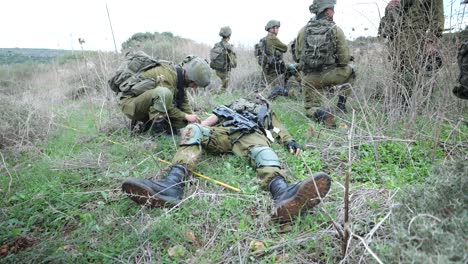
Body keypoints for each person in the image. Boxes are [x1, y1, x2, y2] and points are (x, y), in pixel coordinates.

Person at [122, 95, 332, 222]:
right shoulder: (231, 105)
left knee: (264, 153)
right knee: (193, 128)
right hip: (223, 133)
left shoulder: (266, 111)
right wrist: (191, 130)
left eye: (259, 97)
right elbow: (206, 123)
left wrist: (289, 141)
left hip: (252, 135)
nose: (255, 98)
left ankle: (283, 194)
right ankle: (172, 184)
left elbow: (277, 129)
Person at [294, 0, 355, 128]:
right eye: (332, 9)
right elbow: (344, 60)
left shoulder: (302, 31)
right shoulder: (336, 30)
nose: (333, 12)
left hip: (310, 79)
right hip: (330, 75)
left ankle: (321, 113)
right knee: (352, 71)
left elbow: (298, 57)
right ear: (327, 11)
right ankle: (341, 106)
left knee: (310, 108)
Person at [116, 54, 212, 134]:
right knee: (163, 93)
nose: (194, 87)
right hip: (130, 104)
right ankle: (157, 132)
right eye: (194, 83)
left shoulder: (179, 77)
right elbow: (166, 103)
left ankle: (151, 125)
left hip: (144, 102)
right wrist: (185, 116)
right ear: (189, 75)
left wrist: (192, 120)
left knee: (181, 124)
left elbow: (183, 102)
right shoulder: (167, 75)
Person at [378, 0, 444, 107]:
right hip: (398, 36)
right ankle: (402, 104)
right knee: (399, 71)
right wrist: (389, 7)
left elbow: (437, 16)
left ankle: (417, 105)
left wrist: (431, 40)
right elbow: (392, 18)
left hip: (418, 36)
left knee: (415, 71)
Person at [256, 20, 288, 88]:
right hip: (272, 70)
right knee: (273, 90)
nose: (278, 30)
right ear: (271, 29)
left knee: (265, 87)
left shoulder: (264, 39)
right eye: (276, 28)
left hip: (266, 69)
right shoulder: (273, 38)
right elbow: (285, 48)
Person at [210, 26, 237, 92]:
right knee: (224, 89)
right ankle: (218, 96)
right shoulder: (228, 46)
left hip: (217, 71)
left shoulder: (217, 45)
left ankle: (216, 95)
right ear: (229, 35)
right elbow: (234, 64)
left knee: (220, 87)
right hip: (225, 72)